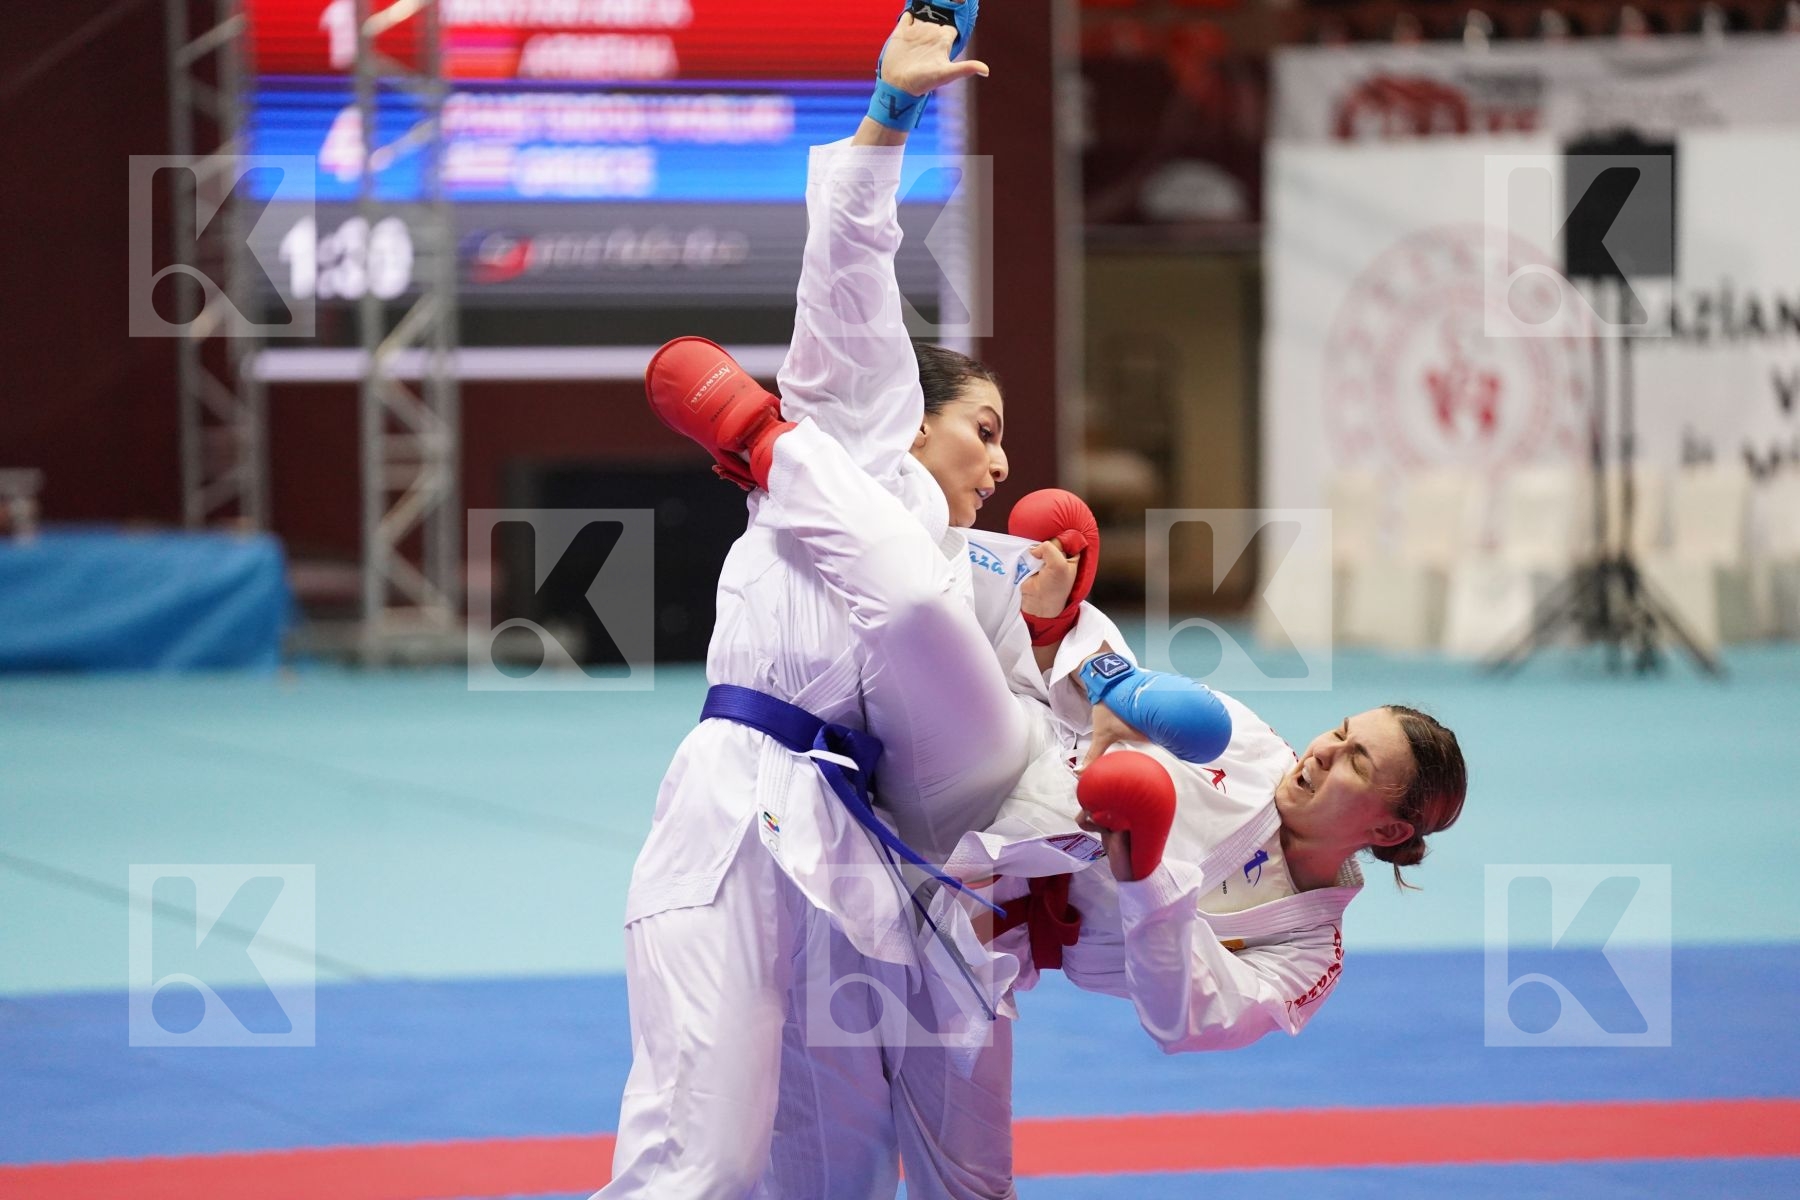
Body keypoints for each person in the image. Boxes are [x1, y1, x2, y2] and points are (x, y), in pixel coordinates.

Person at [601, 7, 1230, 1194]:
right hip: (740, 810)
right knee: (700, 1167)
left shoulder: (977, 578)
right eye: (983, 432)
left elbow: (1014, 739)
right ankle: (750, 428)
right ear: (913, 414)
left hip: (866, 859)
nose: (1001, 467)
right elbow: (848, 280)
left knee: (829, 1175)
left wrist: (1099, 685)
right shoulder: (854, 441)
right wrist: (891, 117)